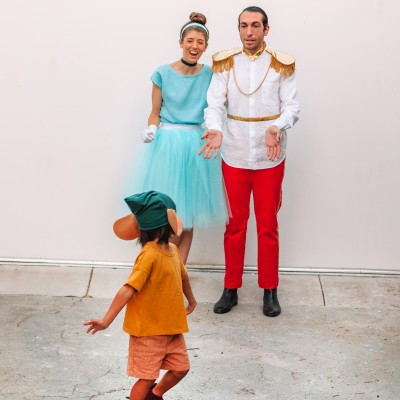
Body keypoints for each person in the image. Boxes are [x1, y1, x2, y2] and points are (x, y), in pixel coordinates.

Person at [199, 6, 300, 317]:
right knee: (234, 225)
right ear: (239, 29)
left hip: (269, 155)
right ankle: (231, 288)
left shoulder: (282, 65)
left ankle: (270, 289)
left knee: (268, 225)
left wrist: (276, 126)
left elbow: (292, 107)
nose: (249, 32)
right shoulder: (225, 63)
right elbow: (214, 104)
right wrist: (214, 129)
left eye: (255, 25)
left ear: (266, 30)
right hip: (235, 152)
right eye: (243, 26)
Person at [84, 191, 197, 400]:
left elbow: (183, 277)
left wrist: (191, 300)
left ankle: (155, 395)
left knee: (181, 368)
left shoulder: (172, 250)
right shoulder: (149, 255)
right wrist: (106, 320)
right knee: (145, 378)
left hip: (172, 328)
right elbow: (128, 288)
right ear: (165, 224)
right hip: (147, 331)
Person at [139, 12, 228, 265]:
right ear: (181, 42)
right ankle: (158, 268)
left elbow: (220, 106)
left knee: (189, 217)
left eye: (200, 42)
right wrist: (151, 129)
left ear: (206, 47)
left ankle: (178, 272)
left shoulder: (211, 74)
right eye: (190, 40)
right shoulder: (162, 74)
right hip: (168, 145)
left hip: (196, 145)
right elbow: (154, 114)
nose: (194, 46)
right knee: (166, 215)